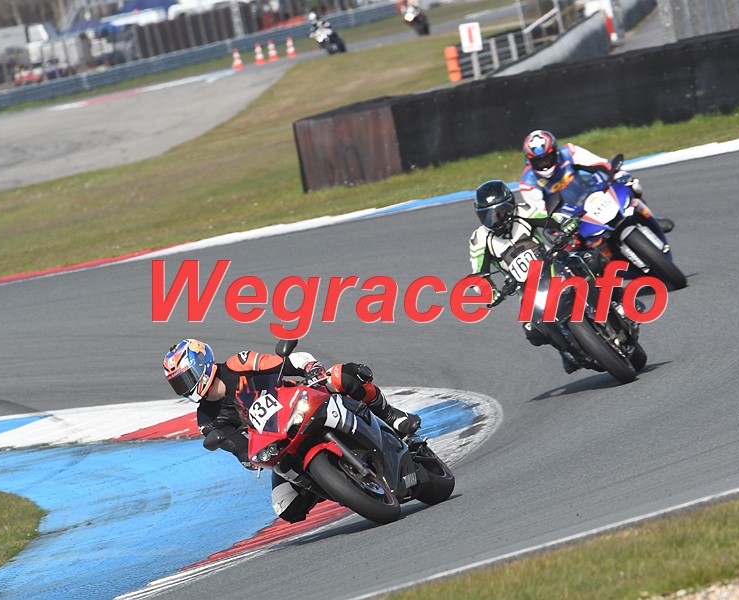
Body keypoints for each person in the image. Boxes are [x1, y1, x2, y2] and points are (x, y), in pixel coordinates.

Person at [163, 339, 421, 523]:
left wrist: (310, 369)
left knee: (342, 375)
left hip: (303, 403)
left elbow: (285, 362)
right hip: (281, 442)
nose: (185, 387)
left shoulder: (238, 364)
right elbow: (239, 449)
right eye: (178, 384)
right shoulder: (207, 420)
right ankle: (337, 484)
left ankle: (390, 416)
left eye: (187, 377)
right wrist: (248, 459)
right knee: (287, 507)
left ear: (202, 364)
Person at [469, 180, 585, 374]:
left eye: (501, 212)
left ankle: (616, 298)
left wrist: (566, 223)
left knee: (587, 260)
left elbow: (551, 218)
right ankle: (565, 350)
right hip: (524, 287)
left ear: (511, 205)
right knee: (532, 331)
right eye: (488, 216)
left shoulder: (523, 212)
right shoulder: (479, 239)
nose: (496, 220)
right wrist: (490, 292)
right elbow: (478, 275)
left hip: (552, 262)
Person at [518, 129, 675, 265]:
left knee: (632, 185)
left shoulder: (569, 152)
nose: (544, 163)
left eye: (547, 157)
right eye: (539, 161)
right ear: (529, 160)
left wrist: (616, 173)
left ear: (555, 152)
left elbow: (599, 163)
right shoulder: (527, 182)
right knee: (570, 254)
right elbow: (541, 212)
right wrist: (560, 224)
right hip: (567, 213)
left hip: (590, 192)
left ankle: (650, 218)